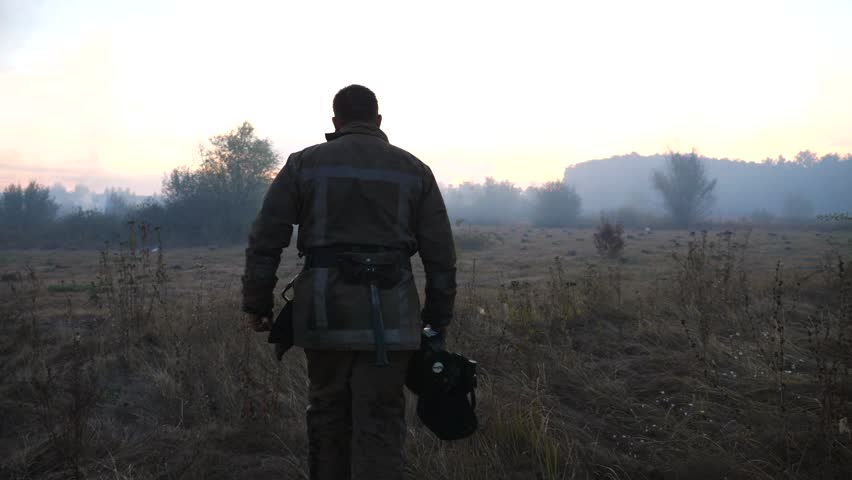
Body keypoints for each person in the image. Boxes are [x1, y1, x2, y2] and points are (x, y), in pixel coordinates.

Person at [241, 84, 457, 479]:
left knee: (326, 413)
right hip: (393, 321)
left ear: (336, 122)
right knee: (382, 420)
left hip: (325, 313)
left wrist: (257, 303)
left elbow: (266, 238)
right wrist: (437, 317)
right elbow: (440, 254)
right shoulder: (414, 170)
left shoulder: (303, 165)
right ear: (378, 120)